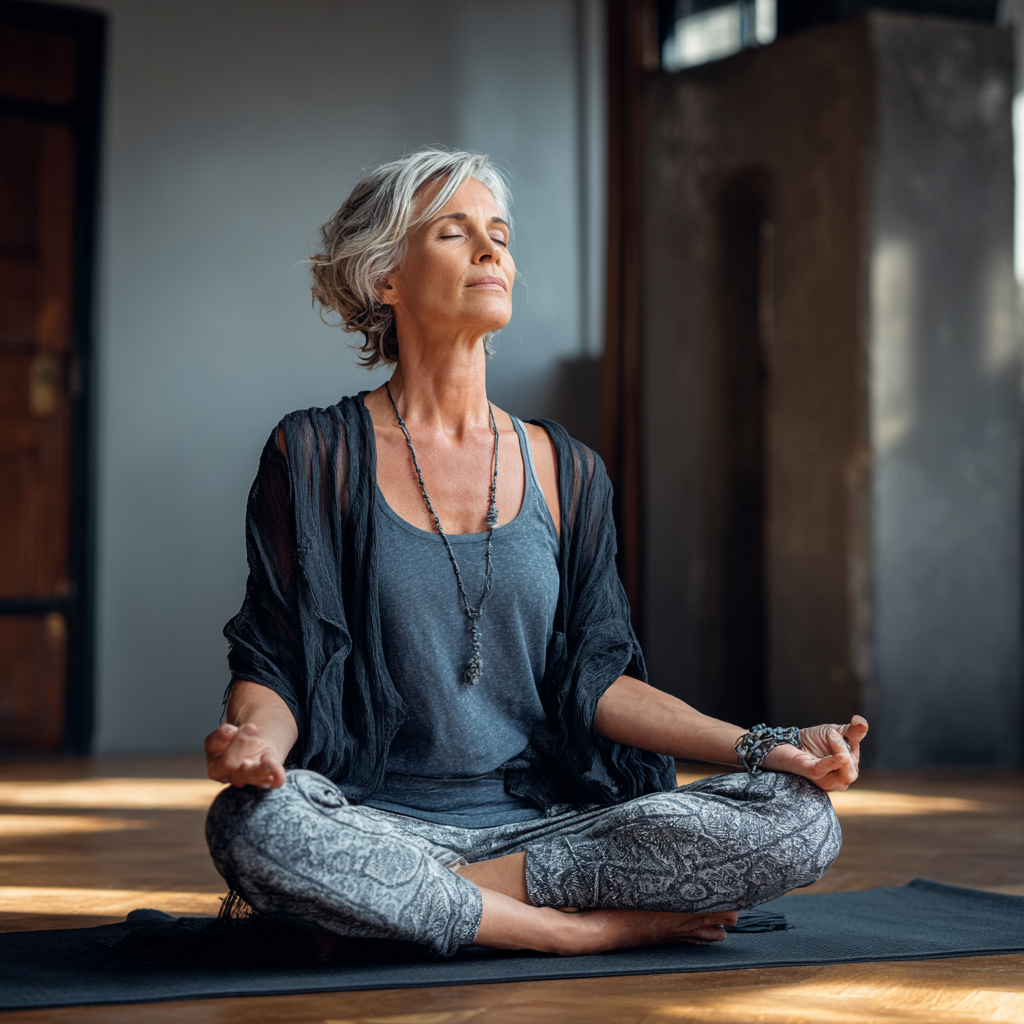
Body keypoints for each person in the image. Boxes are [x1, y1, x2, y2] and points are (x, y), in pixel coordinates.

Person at [204, 148, 869, 959]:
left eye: (501, 235)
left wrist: (769, 744)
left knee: (797, 818)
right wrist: (256, 750)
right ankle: (565, 934)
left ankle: (397, 907)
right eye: (456, 233)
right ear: (385, 278)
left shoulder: (568, 470)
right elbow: (273, 662)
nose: (492, 252)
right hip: (375, 817)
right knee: (253, 826)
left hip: (550, 826)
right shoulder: (314, 454)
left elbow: (601, 680)